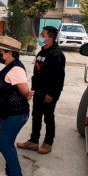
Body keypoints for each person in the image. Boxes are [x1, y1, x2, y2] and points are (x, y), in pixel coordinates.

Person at [0, 36, 34, 176]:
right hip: (9, 113)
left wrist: (28, 94)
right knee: (8, 143)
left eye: (0, 51)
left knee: (4, 144)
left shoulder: (16, 68)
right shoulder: (10, 66)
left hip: (16, 114)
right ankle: (9, 174)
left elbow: (24, 90)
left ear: (9, 53)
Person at [17, 26, 65, 154]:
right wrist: (32, 90)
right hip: (38, 90)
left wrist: (52, 94)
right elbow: (37, 72)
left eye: (42, 35)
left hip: (49, 92)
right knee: (36, 115)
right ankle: (33, 141)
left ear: (50, 38)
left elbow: (59, 77)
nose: (40, 37)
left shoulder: (57, 54)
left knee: (48, 117)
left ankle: (48, 143)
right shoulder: (41, 52)